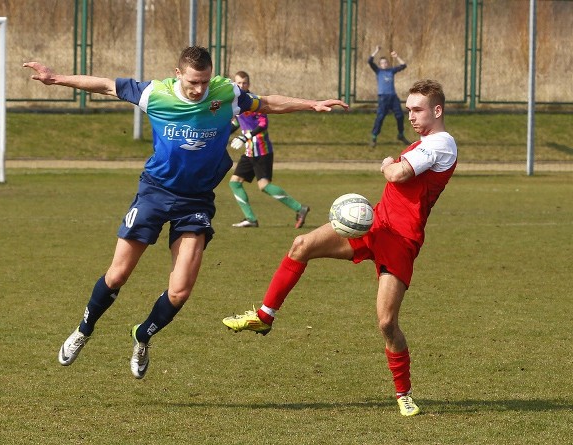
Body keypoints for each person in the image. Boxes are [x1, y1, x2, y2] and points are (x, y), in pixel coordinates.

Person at [23, 46, 348, 380]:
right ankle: (84, 329)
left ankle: (143, 335)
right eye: (193, 82)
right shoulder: (155, 93)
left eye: (205, 82)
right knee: (117, 275)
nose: (199, 89)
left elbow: (265, 103)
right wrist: (57, 78)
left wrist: (312, 104)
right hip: (155, 192)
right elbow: (105, 85)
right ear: (178, 74)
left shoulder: (226, 93)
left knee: (180, 291)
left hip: (196, 202)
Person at [222, 79, 457, 416]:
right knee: (301, 245)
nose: (412, 117)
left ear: (437, 110)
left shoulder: (442, 144)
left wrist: (387, 162)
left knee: (386, 322)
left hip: (401, 241)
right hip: (375, 224)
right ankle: (264, 316)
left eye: (418, 110)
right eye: (408, 110)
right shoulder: (423, 143)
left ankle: (403, 393)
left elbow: (398, 175)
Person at [228, 71, 310, 229]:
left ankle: (300, 209)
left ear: (249, 84)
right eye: (238, 83)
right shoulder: (237, 102)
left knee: (264, 185)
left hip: (261, 149)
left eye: (244, 83)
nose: (241, 85)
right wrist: (221, 134)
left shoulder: (253, 101)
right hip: (249, 151)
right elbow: (238, 123)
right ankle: (250, 218)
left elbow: (263, 124)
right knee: (235, 183)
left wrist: (245, 137)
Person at [368, 46, 411, 148]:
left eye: (385, 62)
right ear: (380, 65)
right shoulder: (378, 71)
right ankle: (374, 137)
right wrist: (376, 51)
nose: (384, 64)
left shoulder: (391, 71)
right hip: (383, 98)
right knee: (380, 117)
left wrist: (396, 57)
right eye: (382, 63)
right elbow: (369, 61)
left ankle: (401, 134)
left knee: (400, 116)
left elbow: (403, 65)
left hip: (393, 97)